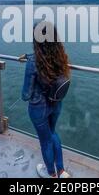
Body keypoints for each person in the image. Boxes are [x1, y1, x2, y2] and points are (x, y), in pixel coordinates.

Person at [19, 21, 71, 178]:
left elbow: (25, 95)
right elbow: (45, 60)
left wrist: (29, 60)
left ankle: (51, 174)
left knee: (45, 141)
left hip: (38, 108)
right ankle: (61, 171)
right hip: (56, 103)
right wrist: (28, 56)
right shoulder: (60, 57)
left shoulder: (33, 63)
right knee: (52, 133)